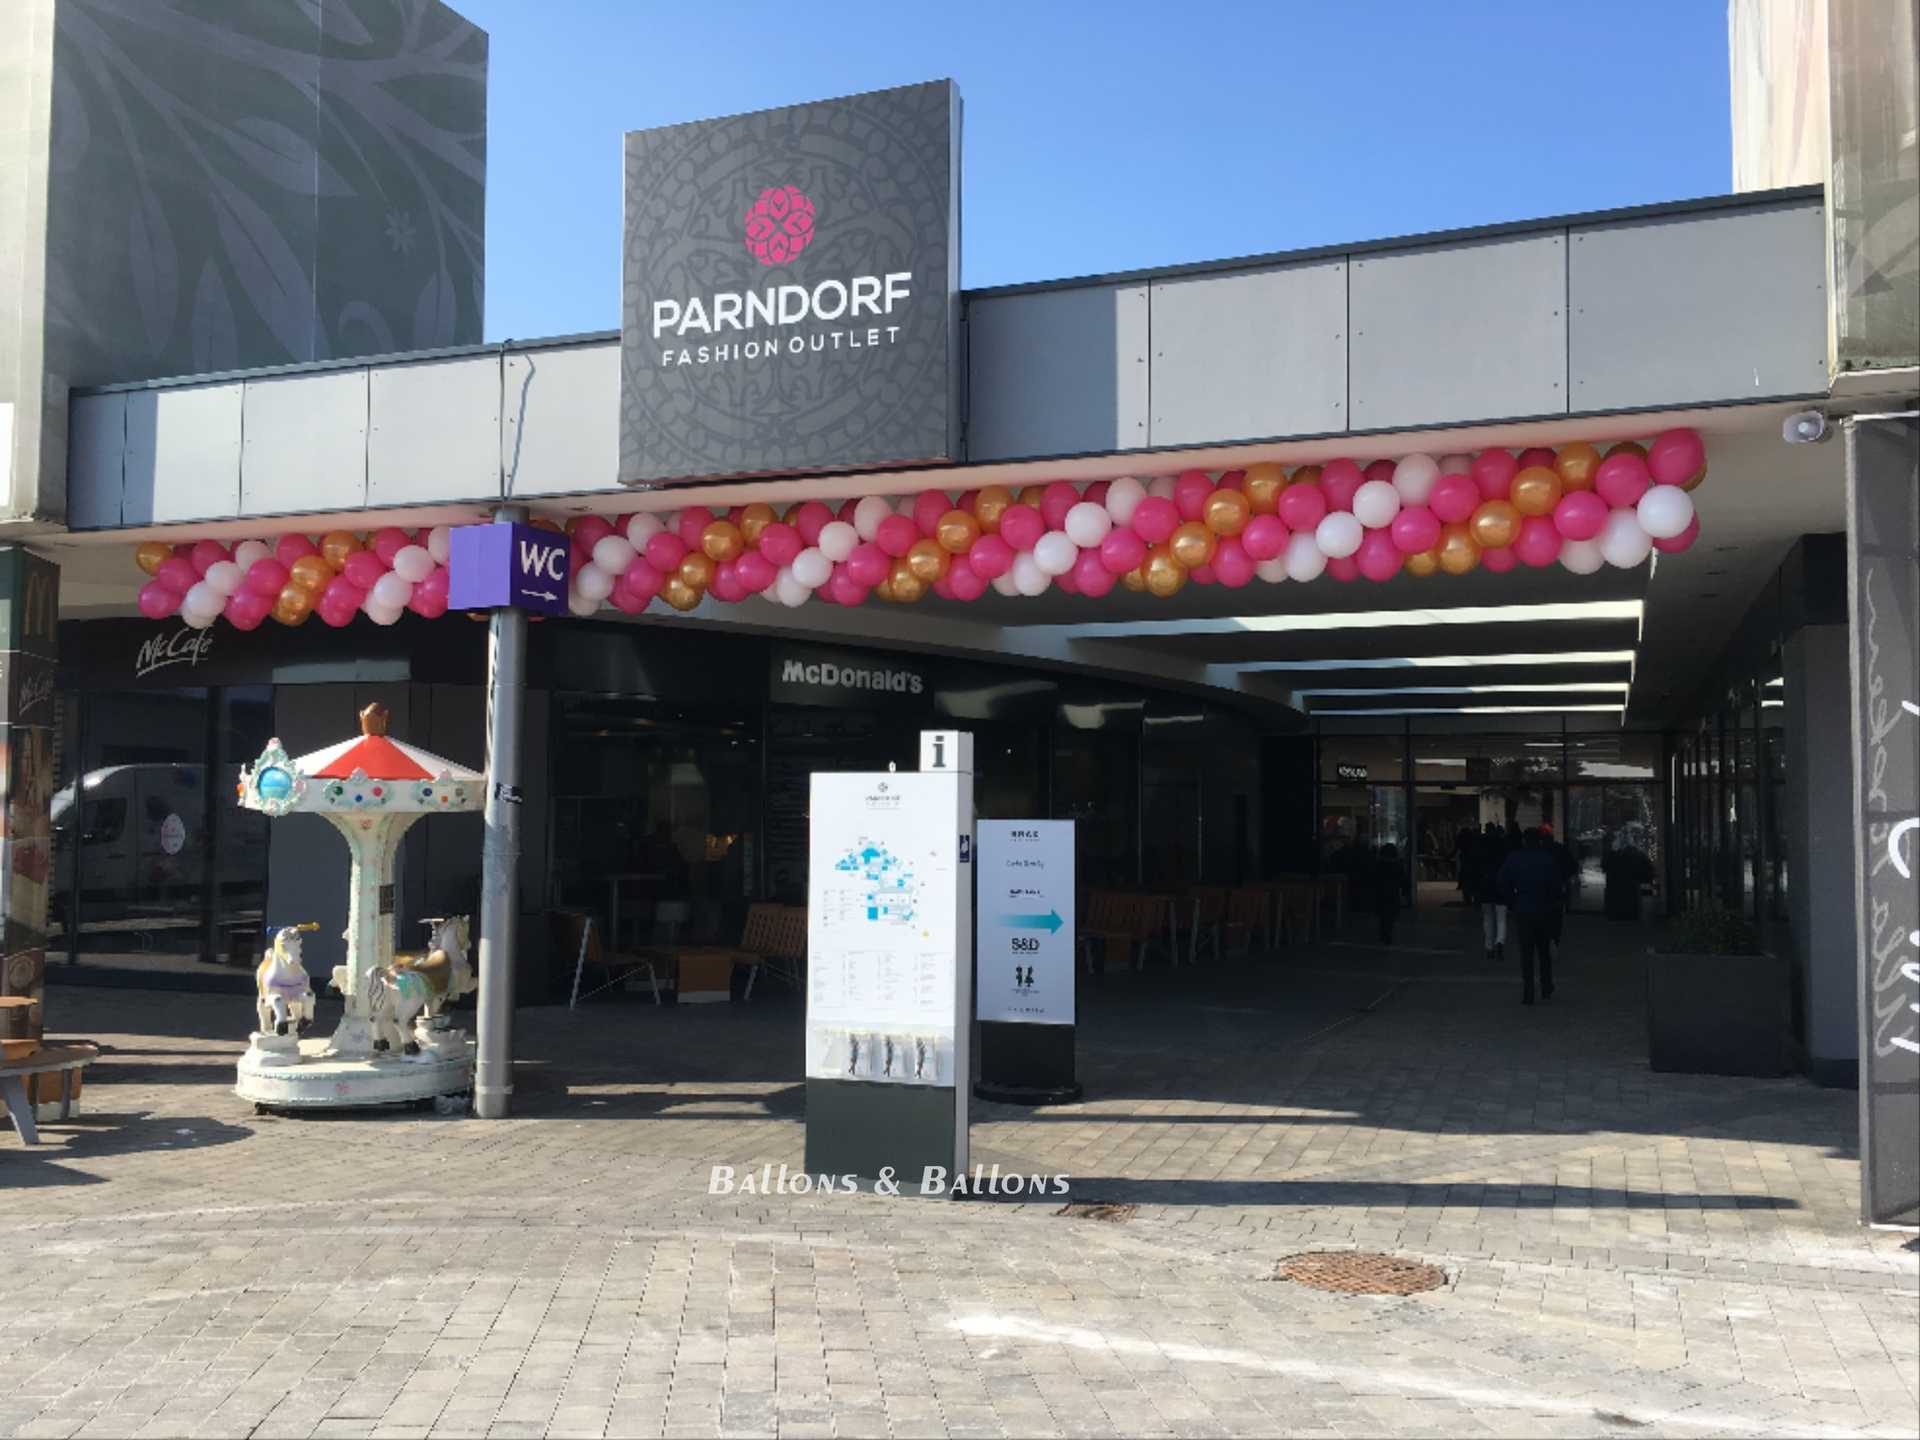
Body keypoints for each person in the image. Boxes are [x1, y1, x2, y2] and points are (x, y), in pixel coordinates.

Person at [1498, 829, 1567, 1004]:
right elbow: (1557, 887)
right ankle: (1546, 985)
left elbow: (1503, 881)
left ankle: (1528, 991)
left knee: (1526, 953)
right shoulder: (1547, 859)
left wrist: (1512, 902)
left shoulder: (1515, 858)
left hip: (1523, 910)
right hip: (1544, 910)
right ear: (1540, 841)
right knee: (1544, 952)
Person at [1541, 822, 1578, 962]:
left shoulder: (1536, 851)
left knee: (1542, 917)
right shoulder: (1559, 849)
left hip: (1540, 891)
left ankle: (1544, 943)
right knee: (1556, 919)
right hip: (1556, 890)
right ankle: (1554, 941)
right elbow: (1572, 866)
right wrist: (1563, 878)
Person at [1471, 821, 1507, 959]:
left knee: (1487, 917)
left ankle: (1489, 946)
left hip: (1485, 884)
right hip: (1501, 884)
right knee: (1501, 916)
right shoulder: (1502, 844)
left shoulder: (1480, 845)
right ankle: (1500, 941)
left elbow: (1475, 867)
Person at [1371, 842, 1409, 944]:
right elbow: (1403, 880)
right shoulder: (1397, 865)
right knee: (1390, 917)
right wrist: (1405, 893)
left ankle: (1383, 935)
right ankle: (1388, 936)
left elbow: (1373, 879)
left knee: (1382, 917)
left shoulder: (1379, 864)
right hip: (1393, 894)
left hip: (1381, 894)